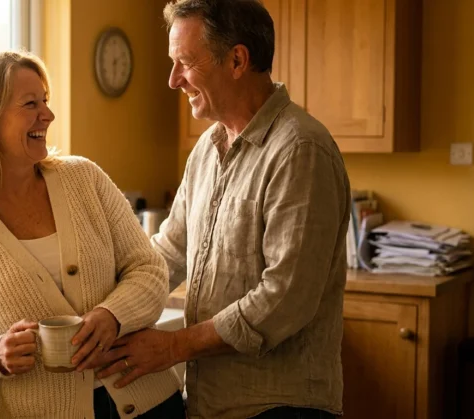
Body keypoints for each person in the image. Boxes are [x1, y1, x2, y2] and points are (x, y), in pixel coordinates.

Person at [90, 1, 351, 418]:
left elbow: (284, 299)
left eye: (185, 63)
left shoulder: (300, 149)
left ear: (237, 60)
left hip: (280, 407)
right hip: (211, 405)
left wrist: (172, 347)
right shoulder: (207, 149)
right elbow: (167, 254)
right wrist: (106, 311)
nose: (173, 79)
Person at [0, 50, 185, 419]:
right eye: (30, 104)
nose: (48, 115)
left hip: (149, 401)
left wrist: (113, 315)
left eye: (45, 100)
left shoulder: (84, 178)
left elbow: (149, 270)